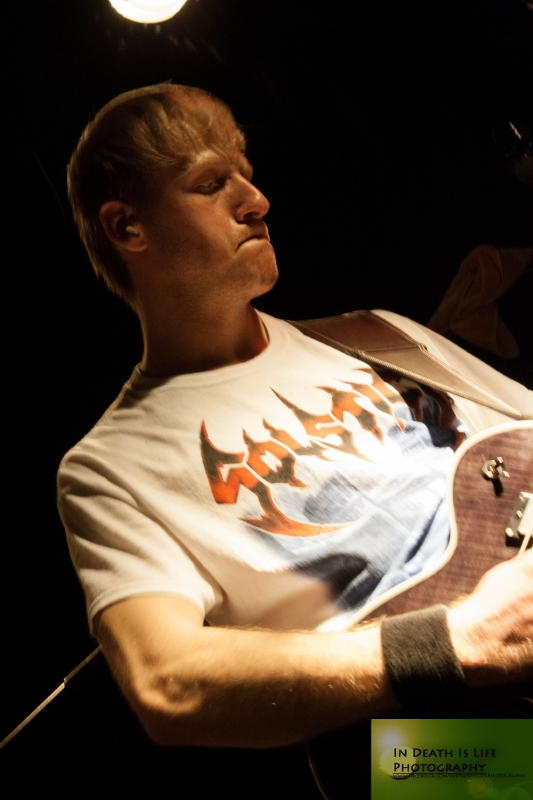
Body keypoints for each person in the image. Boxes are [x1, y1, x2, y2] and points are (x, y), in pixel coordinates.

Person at [57, 81, 533, 761]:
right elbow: (166, 682)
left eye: (246, 175)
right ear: (127, 228)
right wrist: (459, 641)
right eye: (211, 183)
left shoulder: (377, 333)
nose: (256, 200)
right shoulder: (109, 468)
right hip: (415, 757)